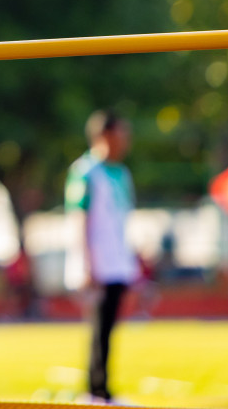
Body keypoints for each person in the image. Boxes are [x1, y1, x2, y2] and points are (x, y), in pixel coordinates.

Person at [65, 109, 138, 403]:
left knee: (110, 328)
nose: (126, 140)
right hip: (97, 263)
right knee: (99, 328)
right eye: (122, 133)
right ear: (105, 135)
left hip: (118, 261)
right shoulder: (85, 171)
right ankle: (95, 390)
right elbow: (78, 218)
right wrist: (85, 264)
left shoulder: (121, 173)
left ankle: (103, 388)